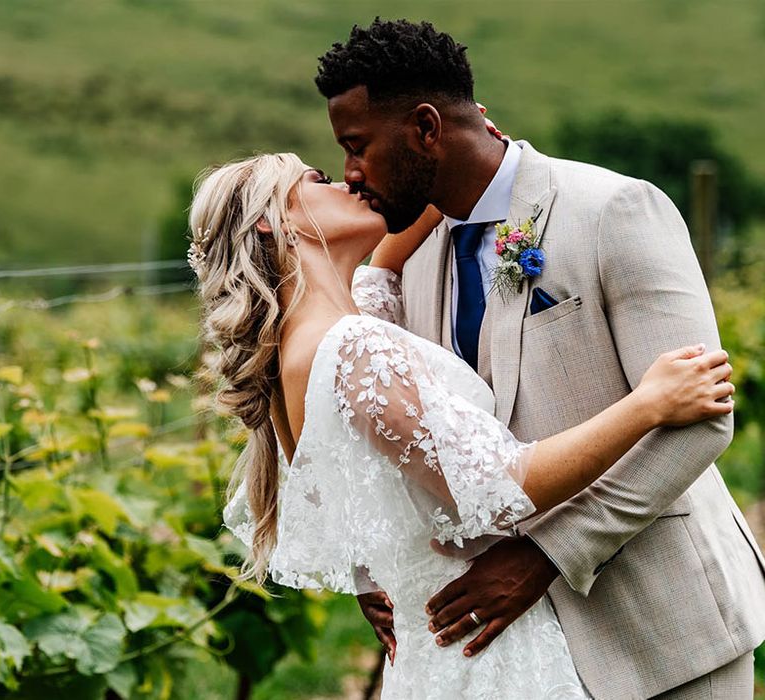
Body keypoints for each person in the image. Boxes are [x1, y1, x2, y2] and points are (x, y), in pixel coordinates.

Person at [314, 18, 765, 698]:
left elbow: (701, 419)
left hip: (662, 628)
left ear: (426, 127)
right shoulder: (416, 261)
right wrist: (382, 568)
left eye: (357, 147)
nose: (351, 174)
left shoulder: (613, 209)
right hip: (519, 657)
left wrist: (548, 554)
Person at [189, 152, 735, 698]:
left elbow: (382, 266)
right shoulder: (351, 347)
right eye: (318, 181)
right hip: (492, 650)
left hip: (437, 649)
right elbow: (505, 485)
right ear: (273, 220)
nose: (348, 179)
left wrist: (440, 156)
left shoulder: (321, 333)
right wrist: (648, 403)